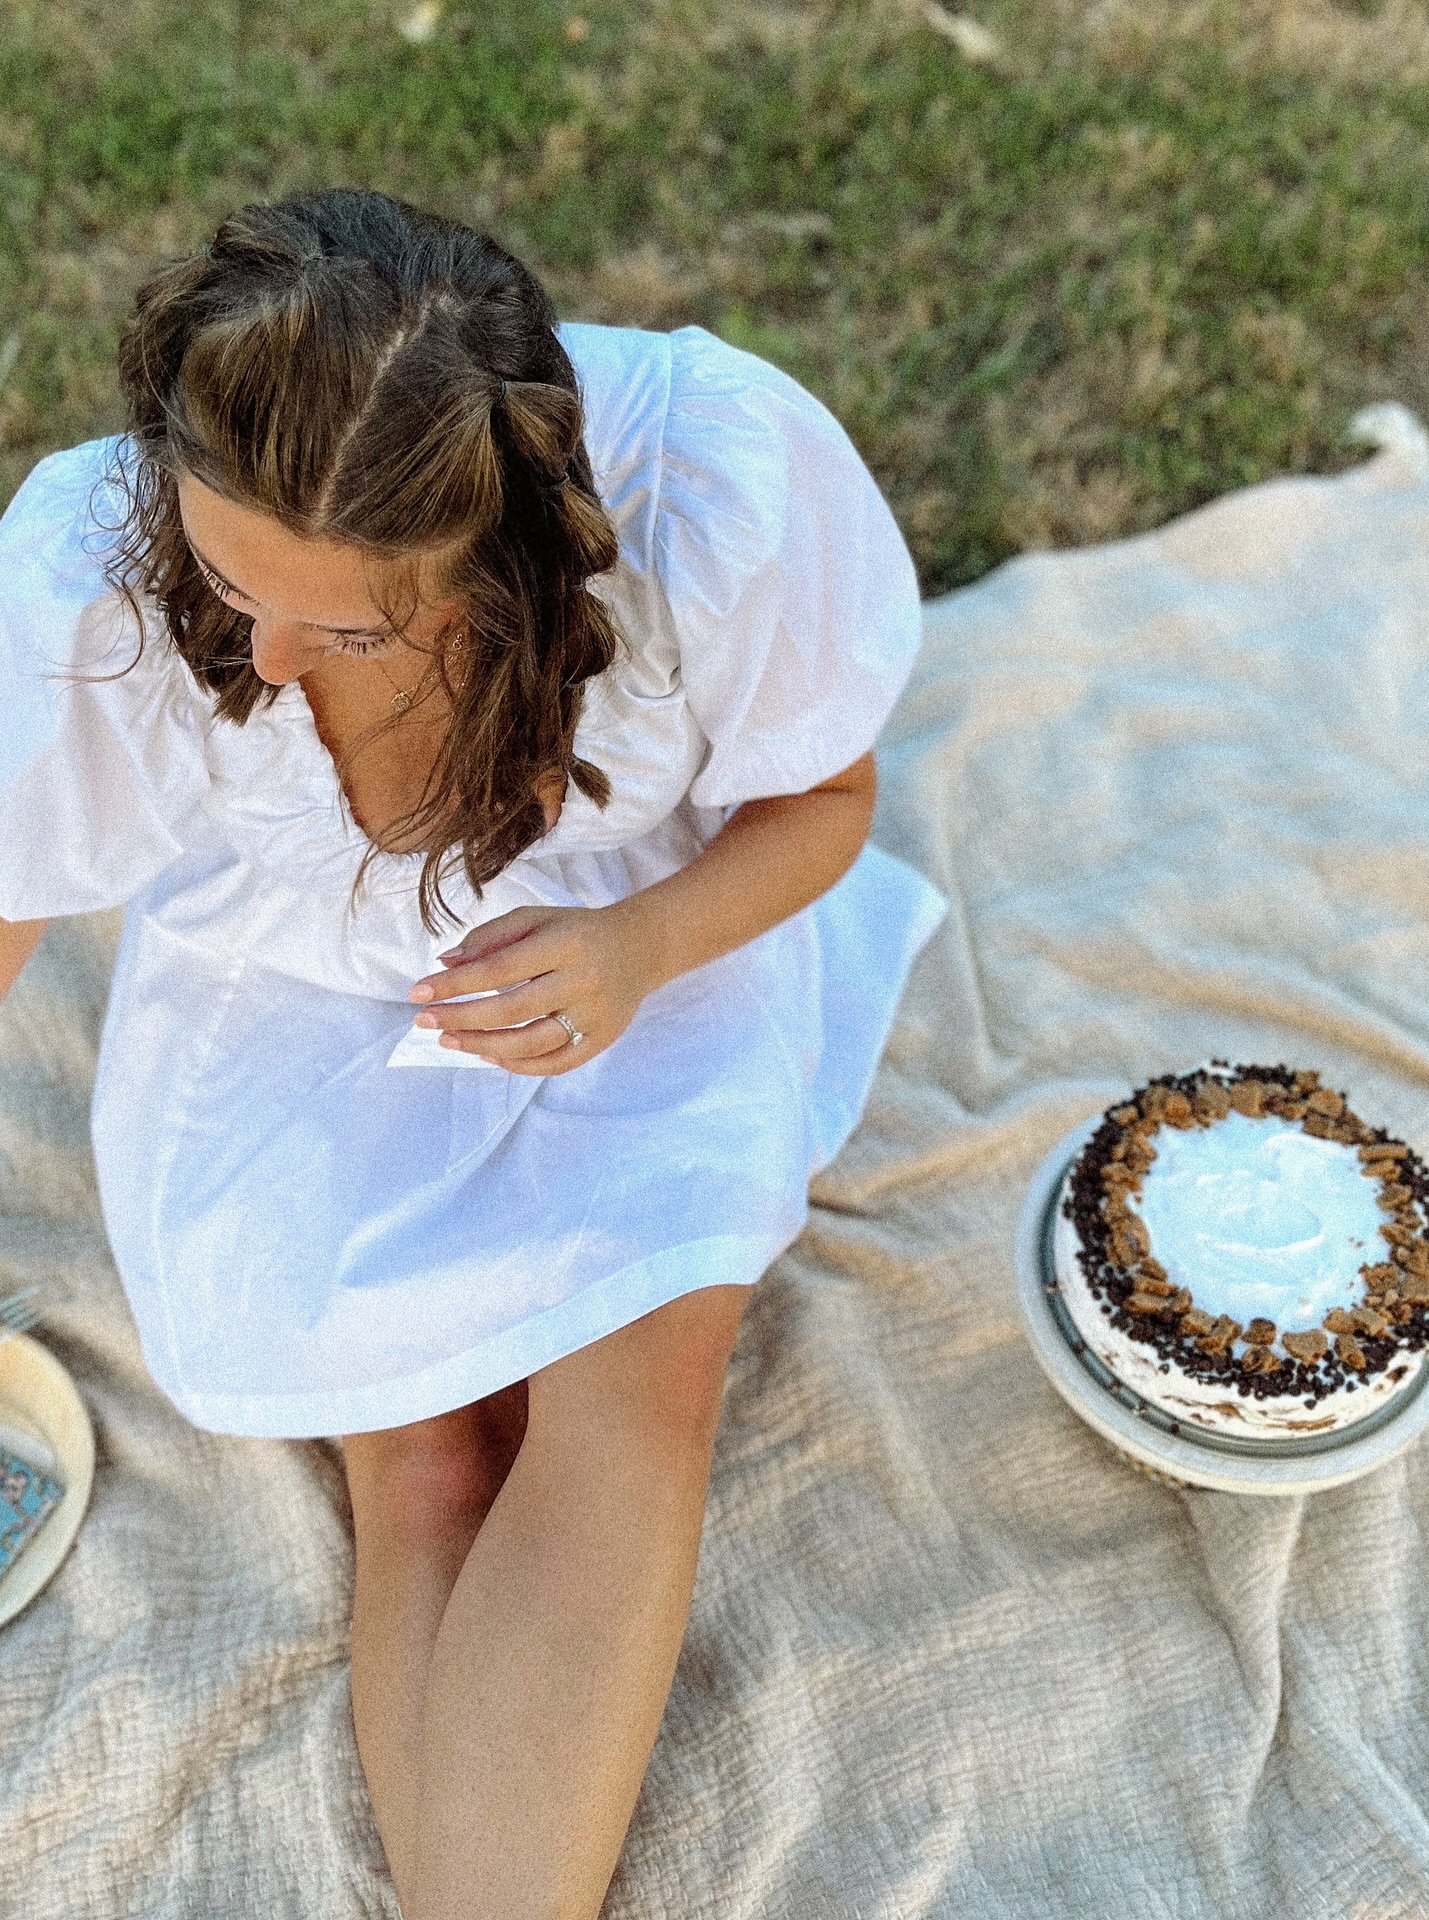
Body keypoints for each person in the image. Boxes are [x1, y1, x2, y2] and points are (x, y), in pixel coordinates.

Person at [0, 187, 945, 1919]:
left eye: (346, 628)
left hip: (639, 944)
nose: (266, 658)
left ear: (499, 551)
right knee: (420, 1448)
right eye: (228, 581)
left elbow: (825, 801)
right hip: (285, 996)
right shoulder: (85, 566)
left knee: (634, 1400)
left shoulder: (714, 489)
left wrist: (641, 948)